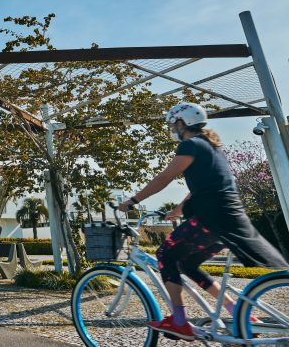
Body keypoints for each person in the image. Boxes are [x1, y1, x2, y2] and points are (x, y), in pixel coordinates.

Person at [119, 102, 288, 341]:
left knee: (166, 254)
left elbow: (165, 177)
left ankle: (180, 322)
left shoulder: (190, 145)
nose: (172, 129)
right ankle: (240, 313)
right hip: (228, 221)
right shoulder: (211, 147)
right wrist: (179, 208)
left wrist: (132, 200)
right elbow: (209, 185)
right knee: (187, 264)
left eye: (172, 124)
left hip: (211, 219)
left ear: (181, 123)